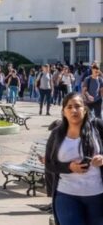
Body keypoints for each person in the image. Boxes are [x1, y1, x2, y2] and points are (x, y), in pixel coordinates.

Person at [45, 92, 103, 225]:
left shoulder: (98, 128)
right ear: (64, 111)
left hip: (97, 195)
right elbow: (49, 164)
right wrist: (69, 167)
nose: (74, 110)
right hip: (66, 195)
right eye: (69, 107)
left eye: (78, 106)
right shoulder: (56, 134)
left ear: (85, 109)